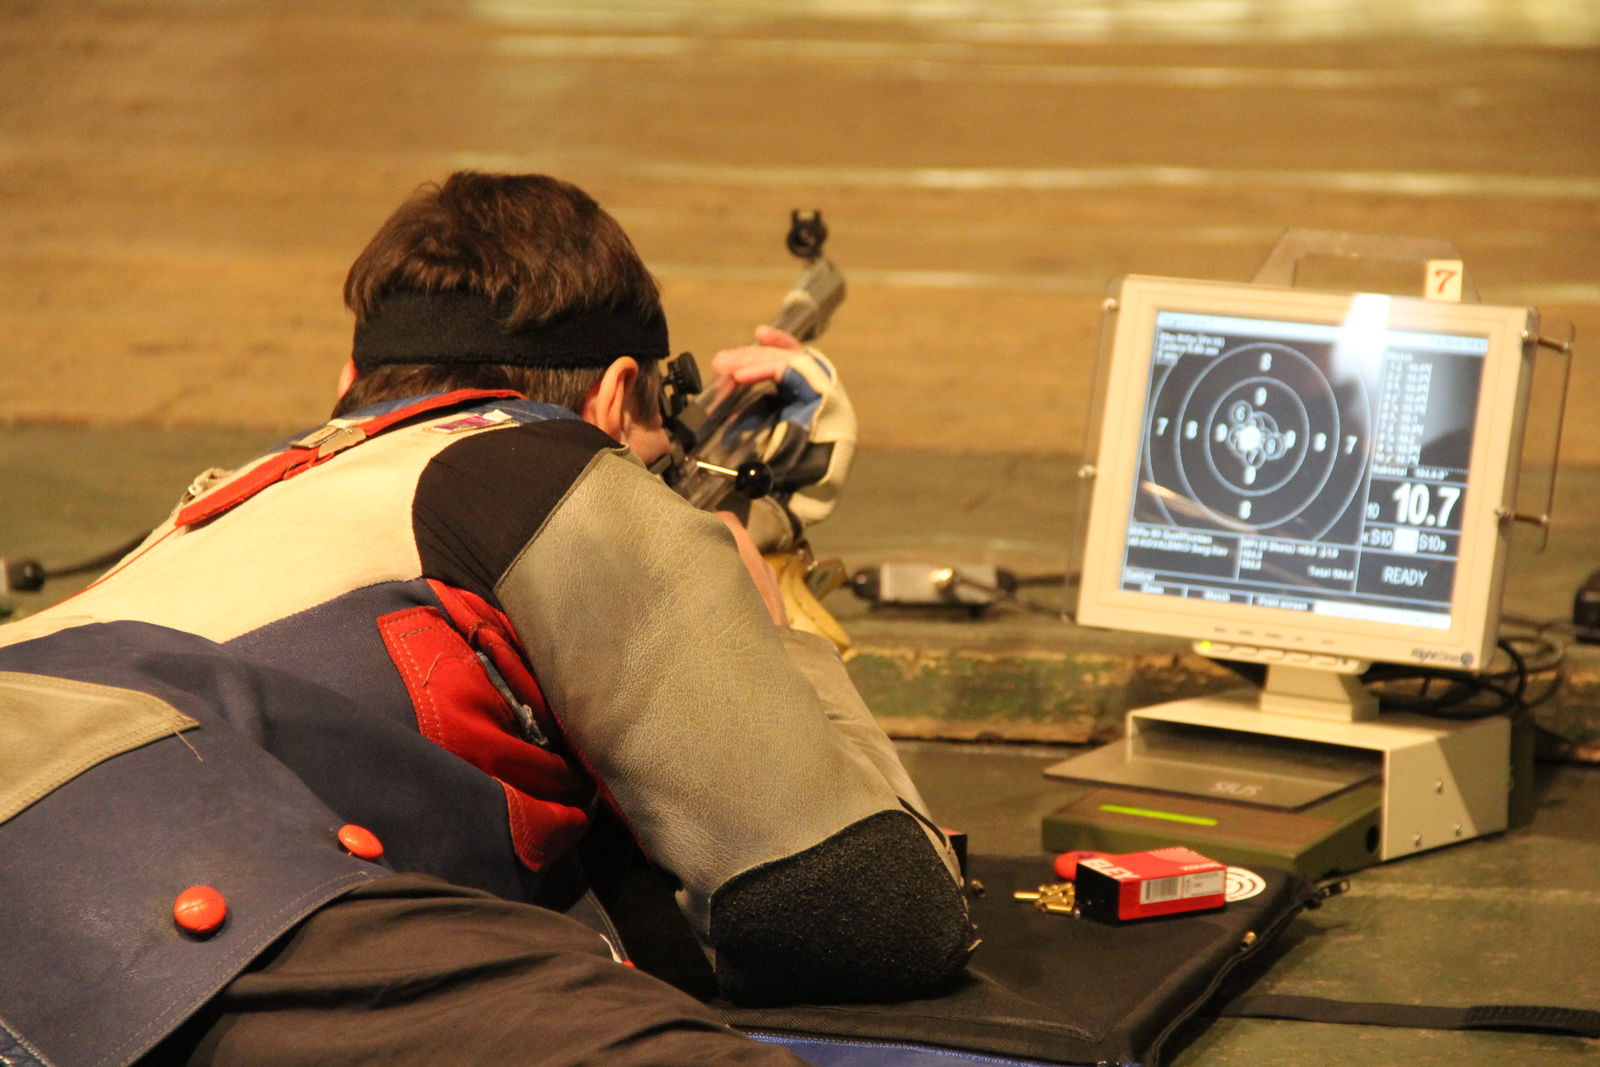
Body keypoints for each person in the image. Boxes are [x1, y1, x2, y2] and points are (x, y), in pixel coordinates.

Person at [0, 172, 973, 1063]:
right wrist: (766, 615)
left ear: (348, 382)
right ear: (618, 394)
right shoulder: (542, 465)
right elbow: (856, 912)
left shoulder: (224, 501)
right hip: (144, 896)